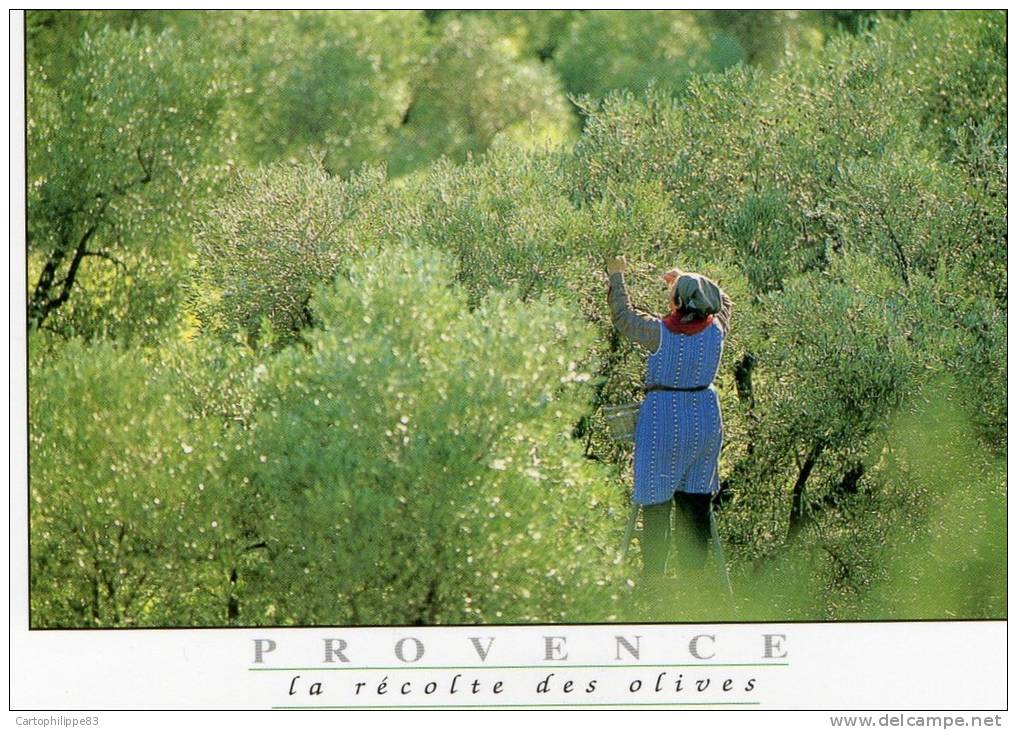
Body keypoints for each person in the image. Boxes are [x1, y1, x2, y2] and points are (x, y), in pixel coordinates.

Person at [605, 256, 732, 576]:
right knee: (696, 502)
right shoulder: (717, 328)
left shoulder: (659, 332)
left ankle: (654, 581)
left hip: (663, 421)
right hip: (704, 421)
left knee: (656, 502)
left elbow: (623, 317)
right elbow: (725, 300)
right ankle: (693, 588)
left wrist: (617, 276)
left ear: (676, 301)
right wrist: (688, 277)